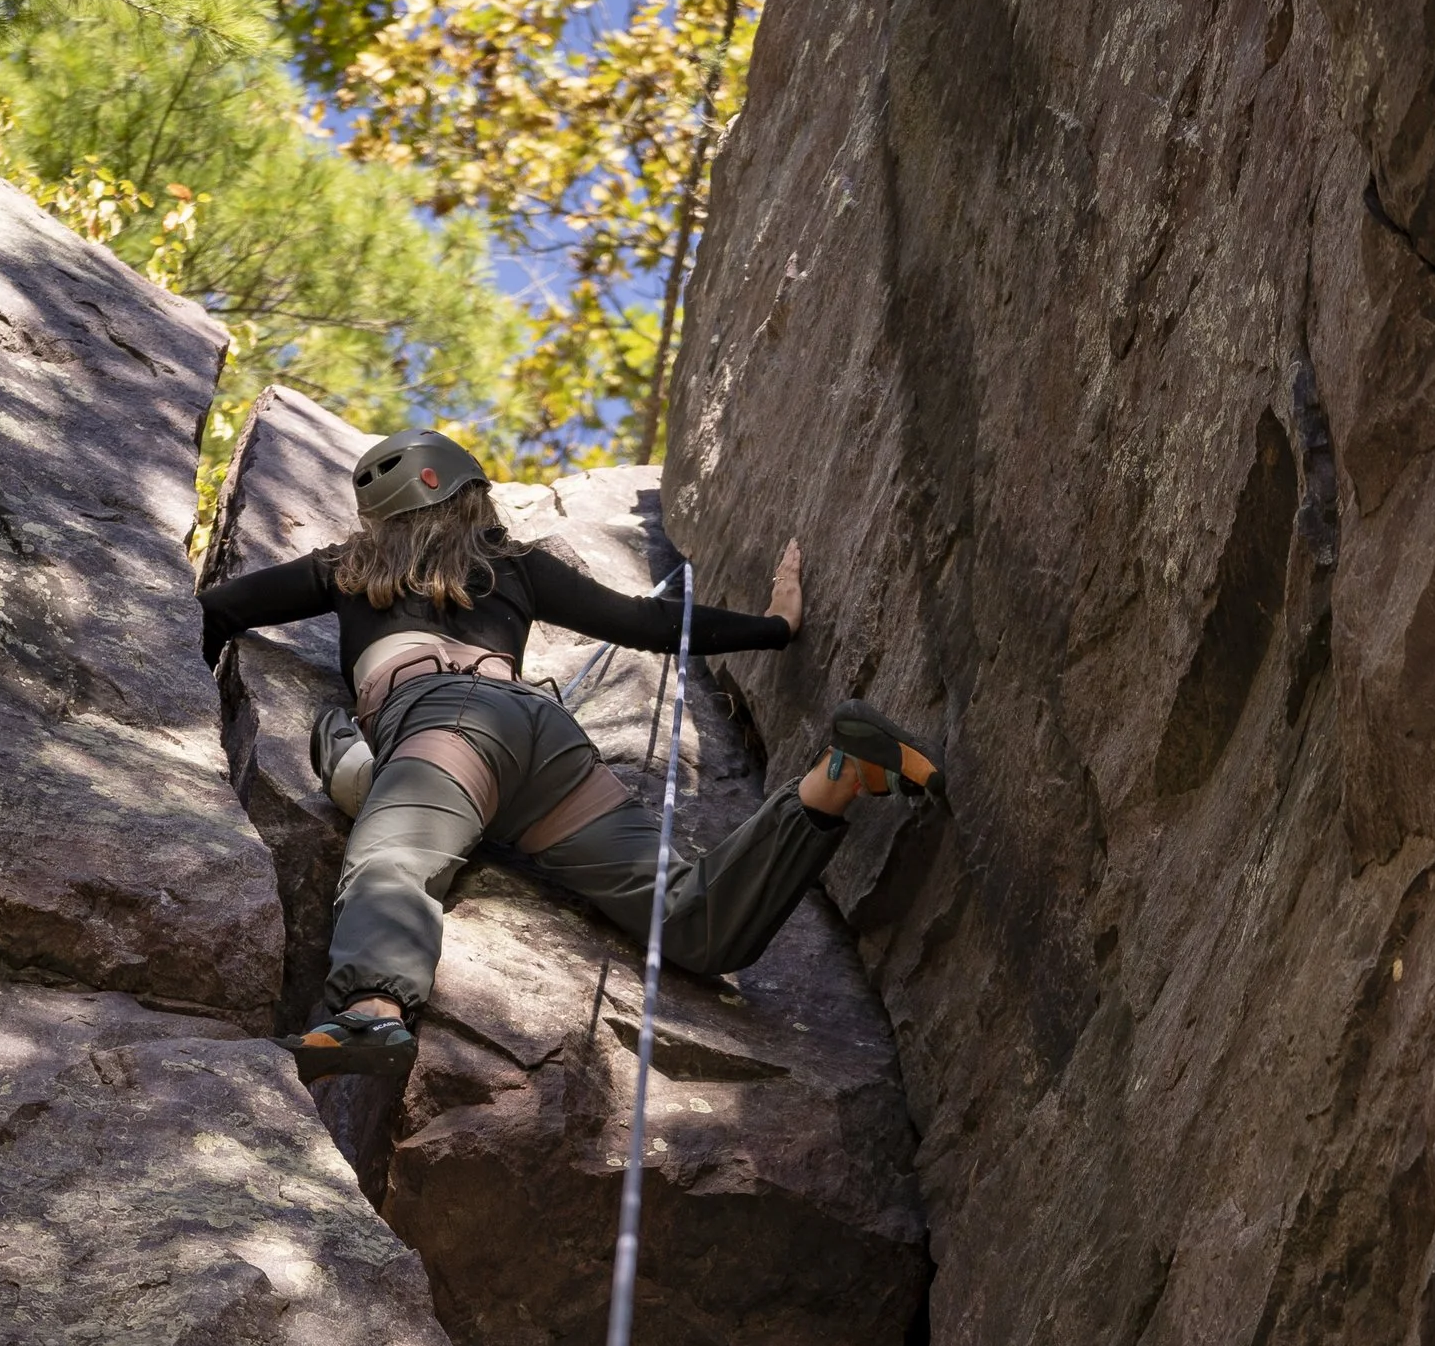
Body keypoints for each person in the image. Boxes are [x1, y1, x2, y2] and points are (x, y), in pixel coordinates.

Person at [198, 426, 946, 1088]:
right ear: (469, 495)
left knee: (393, 857)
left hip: (443, 727)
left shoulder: (346, 568)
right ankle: (837, 779)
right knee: (694, 924)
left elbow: (221, 611)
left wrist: (186, 717)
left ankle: (371, 1012)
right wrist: (775, 626)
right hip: (545, 743)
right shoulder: (514, 565)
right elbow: (647, 622)